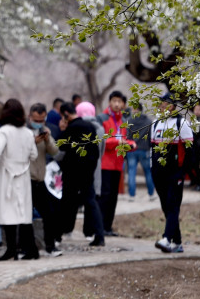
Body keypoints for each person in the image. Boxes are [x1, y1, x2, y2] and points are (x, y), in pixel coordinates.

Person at [0, 99, 39, 260]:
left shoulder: (4, 130)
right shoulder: (28, 132)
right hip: (23, 175)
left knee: (7, 212)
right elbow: (34, 155)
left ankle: (11, 250)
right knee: (23, 213)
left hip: (6, 175)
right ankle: (31, 249)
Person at [150, 92, 194, 253]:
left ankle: (167, 239)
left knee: (173, 204)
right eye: (161, 103)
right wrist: (152, 170)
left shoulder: (182, 124)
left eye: (166, 103)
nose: (163, 106)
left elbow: (190, 152)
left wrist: (182, 173)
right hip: (158, 174)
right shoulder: (155, 123)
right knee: (166, 206)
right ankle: (177, 241)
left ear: (174, 106)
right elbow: (152, 150)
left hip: (175, 174)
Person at [57, 102, 105, 247]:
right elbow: (96, 151)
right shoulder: (90, 127)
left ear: (66, 114)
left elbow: (61, 148)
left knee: (66, 203)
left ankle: (57, 235)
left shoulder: (72, 128)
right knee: (91, 202)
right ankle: (99, 235)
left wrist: (62, 131)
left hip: (72, 172)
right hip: (87, 172)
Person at [28, 102, 62, 256]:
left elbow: (55, 151)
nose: (39, 123)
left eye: (42, 120)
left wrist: (47, 139)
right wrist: (32, 143)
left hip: (40, 180)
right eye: (36, 120)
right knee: (25, 216)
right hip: (26, 179)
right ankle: (28, 248)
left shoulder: (45, 130)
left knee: (49, 214)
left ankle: (51, 246)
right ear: (30, 117)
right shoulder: (23, 132)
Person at [100, 91, 131, 235]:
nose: (117, 104)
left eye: (119, 101)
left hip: (118, 164)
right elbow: (103, 142)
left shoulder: (123, 121)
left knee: (113, 197)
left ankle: (108, 227)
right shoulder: (103, 119)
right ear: (110, 102)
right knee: (105, 196)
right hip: (105, 164)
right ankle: (100, 227)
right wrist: (118, 141)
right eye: (114, 101)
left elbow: (123, 139)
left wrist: (130, 144)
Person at [124, 106, 155, 201]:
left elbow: (126, 135)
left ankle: (132, 195)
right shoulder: (148, 121)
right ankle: (151, 194)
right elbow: (151, 136)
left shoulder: (128, 121)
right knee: (148, 172)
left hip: (131, 149)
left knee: (131, 172)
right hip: (144, 149)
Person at [187, 104, 200, 191]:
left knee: (196, 165)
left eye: (199, 110)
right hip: (191, 144)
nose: (197, 111)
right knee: (188, 164)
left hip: (198, 145)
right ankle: (193, 180)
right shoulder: (193, 119)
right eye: (196, 109)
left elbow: (197, 130)